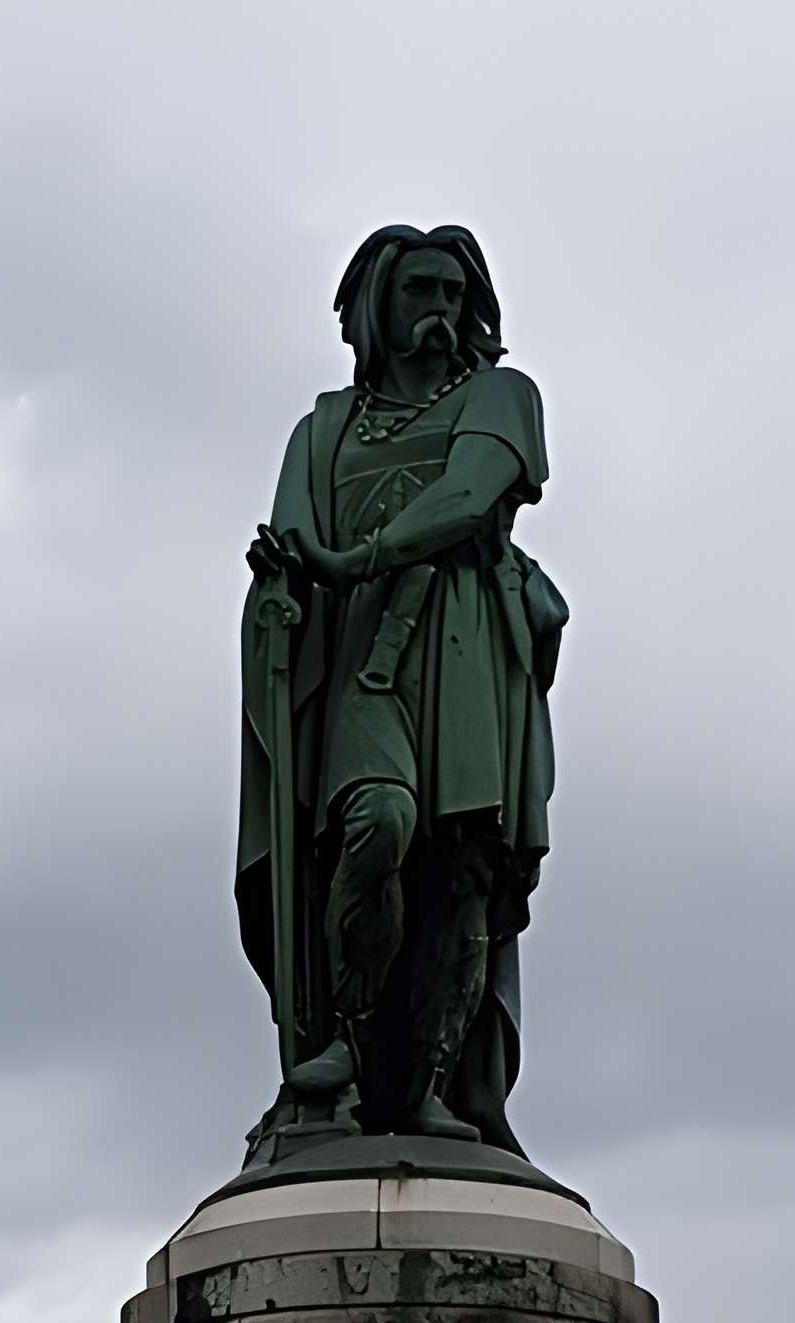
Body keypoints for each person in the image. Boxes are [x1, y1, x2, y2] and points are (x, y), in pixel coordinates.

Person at [238, 224, 567, 1153]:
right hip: (358, 658)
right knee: (373, 820)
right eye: (419, 295)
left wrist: (359, 555)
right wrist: (286, 573)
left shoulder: (502, 396)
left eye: (453, 298)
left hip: (461, 641)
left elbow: (468, 496)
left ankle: (425, 1079)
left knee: (460, 865)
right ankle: (349, 1034)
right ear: (376, 310)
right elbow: (297, 539)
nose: (438, 315)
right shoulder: (322, 430)